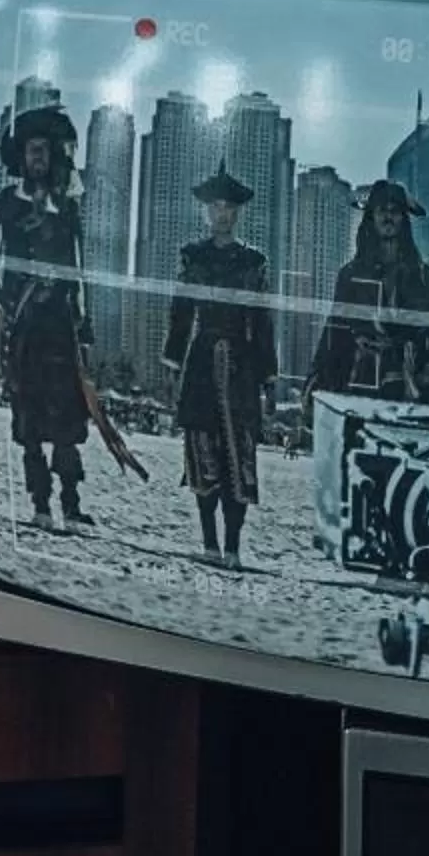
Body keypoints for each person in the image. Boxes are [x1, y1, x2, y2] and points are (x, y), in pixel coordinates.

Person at [0, 105, 92, 532]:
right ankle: (40, 503)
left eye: (44, 150)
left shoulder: (69, 206)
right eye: (31, 150)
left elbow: (78, 268)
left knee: (65, 415)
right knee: (27, 416)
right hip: (21, 324)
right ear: (21, 156)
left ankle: (72, 505)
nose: (37, 157)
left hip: (61, 326)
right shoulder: (8, 202)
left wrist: (83, 324)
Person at [163, 164, 277, 568]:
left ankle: (233, 548)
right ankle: (209, 543)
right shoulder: (194, 257)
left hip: (242, 366)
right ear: (207, 212)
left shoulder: (253, 263)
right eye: (216, 207)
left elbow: (262, 322)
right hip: (200, 362)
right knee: (201, 452)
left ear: (237, 213)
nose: (222, 214)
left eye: (229, 208)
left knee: (239, 456)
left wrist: (268, 375)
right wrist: (173, 361)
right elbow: (180, 313)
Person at [308, 179, 429, 405]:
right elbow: (335, 331)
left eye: (395, 211)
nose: (388, 217)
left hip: (412, 384)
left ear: (404, 219)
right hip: (362, 379)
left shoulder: (423, 276)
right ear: (371, 216)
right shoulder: (350, 274)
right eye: (382, 210)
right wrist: (318, 382)